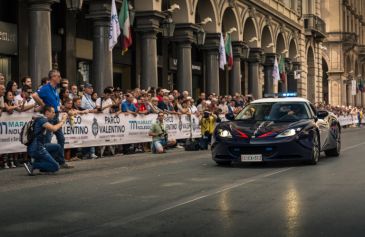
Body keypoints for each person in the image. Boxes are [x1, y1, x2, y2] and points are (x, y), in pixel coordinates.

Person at [32, 69, 72, 168]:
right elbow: (34, 95)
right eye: (58, 76)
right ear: (53, 77)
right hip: (49, 117)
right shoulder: (46, 88)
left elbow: (57, 104)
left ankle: (61, 161)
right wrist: (43, 105)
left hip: (56, 116)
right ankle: (45, 162)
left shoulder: (55, 89)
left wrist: (66, 109)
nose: (60, 78)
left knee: (61, 138)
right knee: (47, 141)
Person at [24, 106, 71, 175]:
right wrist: (63, 120)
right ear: (47, 113)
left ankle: (43, 166)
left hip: (40, 146)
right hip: (36, 148)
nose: (54, 114)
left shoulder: (41, 118)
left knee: (57, 146)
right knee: (56, 167)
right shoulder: (42, 120)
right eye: (53, 112)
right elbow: (54, 128)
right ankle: (32, 165)